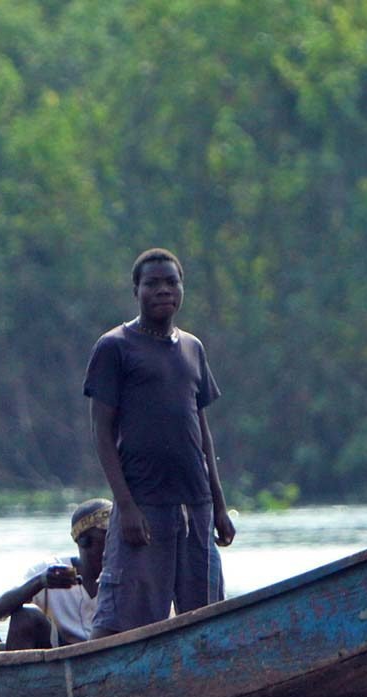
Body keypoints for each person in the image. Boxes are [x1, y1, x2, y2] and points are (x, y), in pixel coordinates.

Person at [83, 247, 235, 638]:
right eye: (153, 283)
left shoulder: (192, 348)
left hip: (195, 503)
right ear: (136, 290)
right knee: (123, 621)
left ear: (182, 289)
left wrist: (219, 505)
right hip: (144, 503)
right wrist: (127, 507)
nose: (164, 290)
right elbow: (101, 433)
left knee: (206, 615)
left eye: (172, 282)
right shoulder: (115, 347)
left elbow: (202, 429)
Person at [0, 498, 113, 649]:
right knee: (26, 615)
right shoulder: (51, 570)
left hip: (109, 649)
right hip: (58, 652)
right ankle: (21, 673)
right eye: (107, 537)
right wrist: (41, 582)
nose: (116, 543)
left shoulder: (127, 573)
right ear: (83, 541)